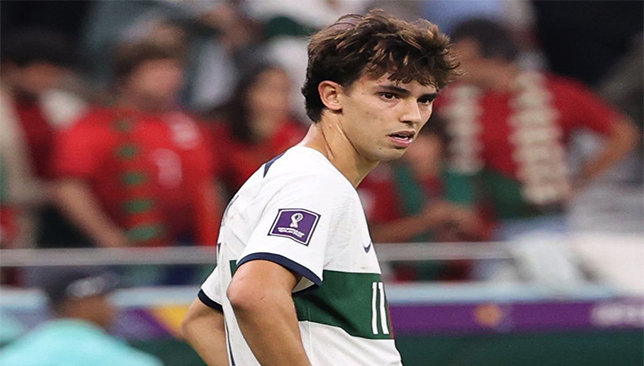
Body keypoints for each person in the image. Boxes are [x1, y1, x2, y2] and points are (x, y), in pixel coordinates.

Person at [182, 10, 459, 366]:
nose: (413, 115)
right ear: (331, 95)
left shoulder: (285, 177)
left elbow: (203, 321)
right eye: (391, 95)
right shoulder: (316, 183)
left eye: (425, 99)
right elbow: (254, 293)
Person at [436, 18, 639, 241]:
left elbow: (623, 133)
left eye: (466, 61)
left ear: (495, 58)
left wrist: (582, 179)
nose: (457, 69)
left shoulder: (558, 93)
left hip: (543, 220)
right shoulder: (446, 100)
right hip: (473, 224)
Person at [53, 42, 222, 249]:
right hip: (128, 245)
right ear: (125, 79)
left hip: (192, 245)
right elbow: (70, 188)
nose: (169, 79)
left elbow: (208, 185)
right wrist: (107, 236)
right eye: (156, 71)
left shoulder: (189, 124)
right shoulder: (93, 125)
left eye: (173, 70)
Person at [0, 268, 162, 366]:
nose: (112, 307)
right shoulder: (128, 361)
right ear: (77, 304)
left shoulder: (11, 358)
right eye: (103, 299)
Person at [208, 63, 307, 195]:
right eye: (270, 90)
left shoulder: (300, 138)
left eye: (284, 91)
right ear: (247, 92)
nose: (278, 99)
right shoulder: (220, 136)